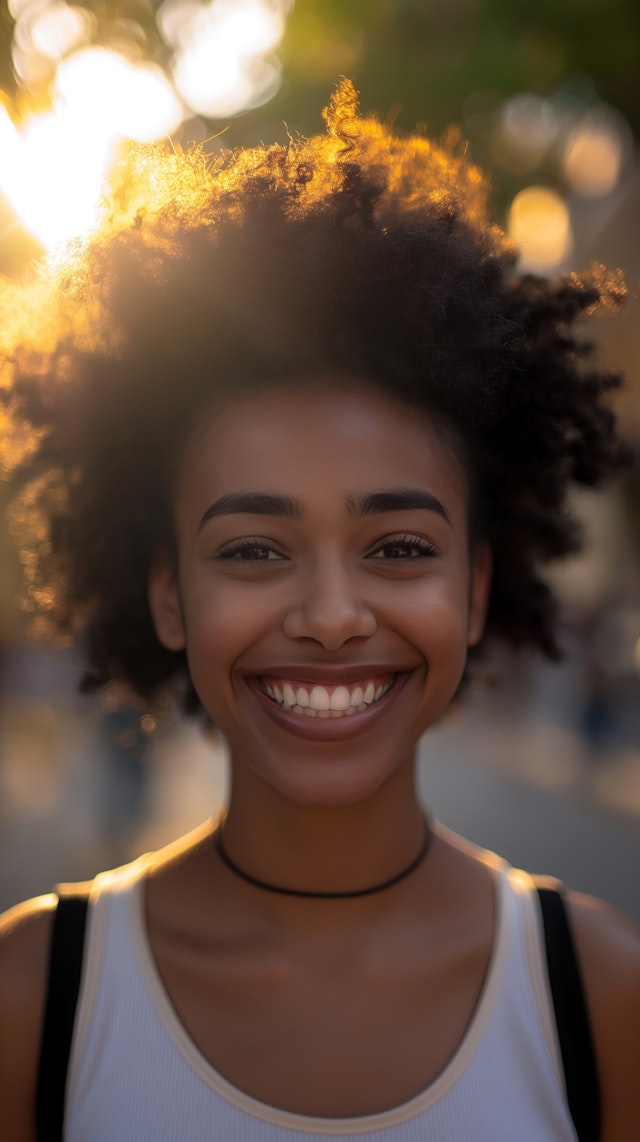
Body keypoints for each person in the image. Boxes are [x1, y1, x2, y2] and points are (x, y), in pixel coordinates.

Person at [0, 80, 638, 1141]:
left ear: (475, 589)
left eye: (398, 547)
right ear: (168, 591)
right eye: (253, 549)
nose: (334, 615)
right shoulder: (32, 1002)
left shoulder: (602, 996)